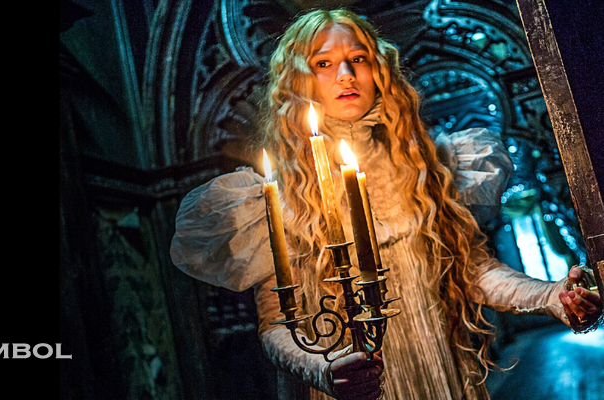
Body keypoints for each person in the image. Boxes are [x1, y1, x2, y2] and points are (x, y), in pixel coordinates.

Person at [170, 8, 601, 400]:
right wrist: (324, 371)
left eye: (357, 58)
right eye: (324, 63)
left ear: (379, 68)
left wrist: (549, 295)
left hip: (438, 373)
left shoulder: (427, 164)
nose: (346, 74)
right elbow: (278, 326)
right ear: (298, 80)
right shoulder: (279, 196)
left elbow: (474, 271)